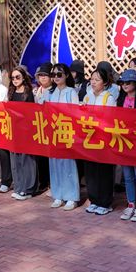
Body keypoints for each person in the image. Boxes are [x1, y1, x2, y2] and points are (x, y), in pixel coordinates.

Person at [82, 68, 118, 215]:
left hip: (103, 140)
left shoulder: (108, 98)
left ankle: (105, 202)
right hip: (89, 139)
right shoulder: (87, 97)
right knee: (90, 171)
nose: (93, 82)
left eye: (97, 79)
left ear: (105, 82)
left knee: (104, 171)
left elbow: (110, 118)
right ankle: (94, 200)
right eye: (92, 79)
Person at [116, 69, 136, 223]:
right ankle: (131, 203)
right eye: (122, 82)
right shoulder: (120, 99)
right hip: (124, 141)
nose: (125, 85)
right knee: (128, 176)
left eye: (128, 82)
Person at [47, 64, 80, 210]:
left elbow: (75, 113)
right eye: (53, 75)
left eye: (59, 74)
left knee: (68, 165)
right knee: (54, 164)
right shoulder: (50, 93)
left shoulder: (71, 92)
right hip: (53, 133)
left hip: (67, 132)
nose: (56, 77)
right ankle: (58, 194)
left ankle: (71, 197)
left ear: (66, 75)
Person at [8, 66, 37, 200]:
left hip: (26, 130)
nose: (15, 80)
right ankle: (19, 187)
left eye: (17, 77)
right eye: (12, 77)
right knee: (15, 159)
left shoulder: (28, 92)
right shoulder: (11, 92)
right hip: (13, 130)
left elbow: (30, 112)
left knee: (27, 159)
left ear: (24, 77)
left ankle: (28, 189)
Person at [33, 62, 55, 193]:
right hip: (39, 127)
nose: (42, 78)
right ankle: (43, 181)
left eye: (45, 75)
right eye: (40, 75)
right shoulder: (37, 91)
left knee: (50, 156)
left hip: (51, 127)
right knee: (40, 156)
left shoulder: (54, 90)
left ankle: (52, 183)